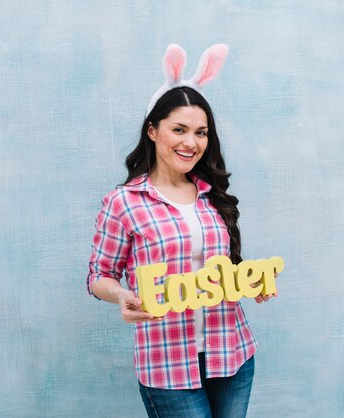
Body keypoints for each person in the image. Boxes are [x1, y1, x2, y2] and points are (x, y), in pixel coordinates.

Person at [86, 44, 276, 418]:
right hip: (168, 363)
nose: (191, 142)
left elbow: (221, 270)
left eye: (201, 132)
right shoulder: (123, 203)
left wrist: (249, 281)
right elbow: (99, 275)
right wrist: (122, 295)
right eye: (179, 129)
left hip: (232, 353)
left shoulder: (212, 195)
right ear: (153, 131)